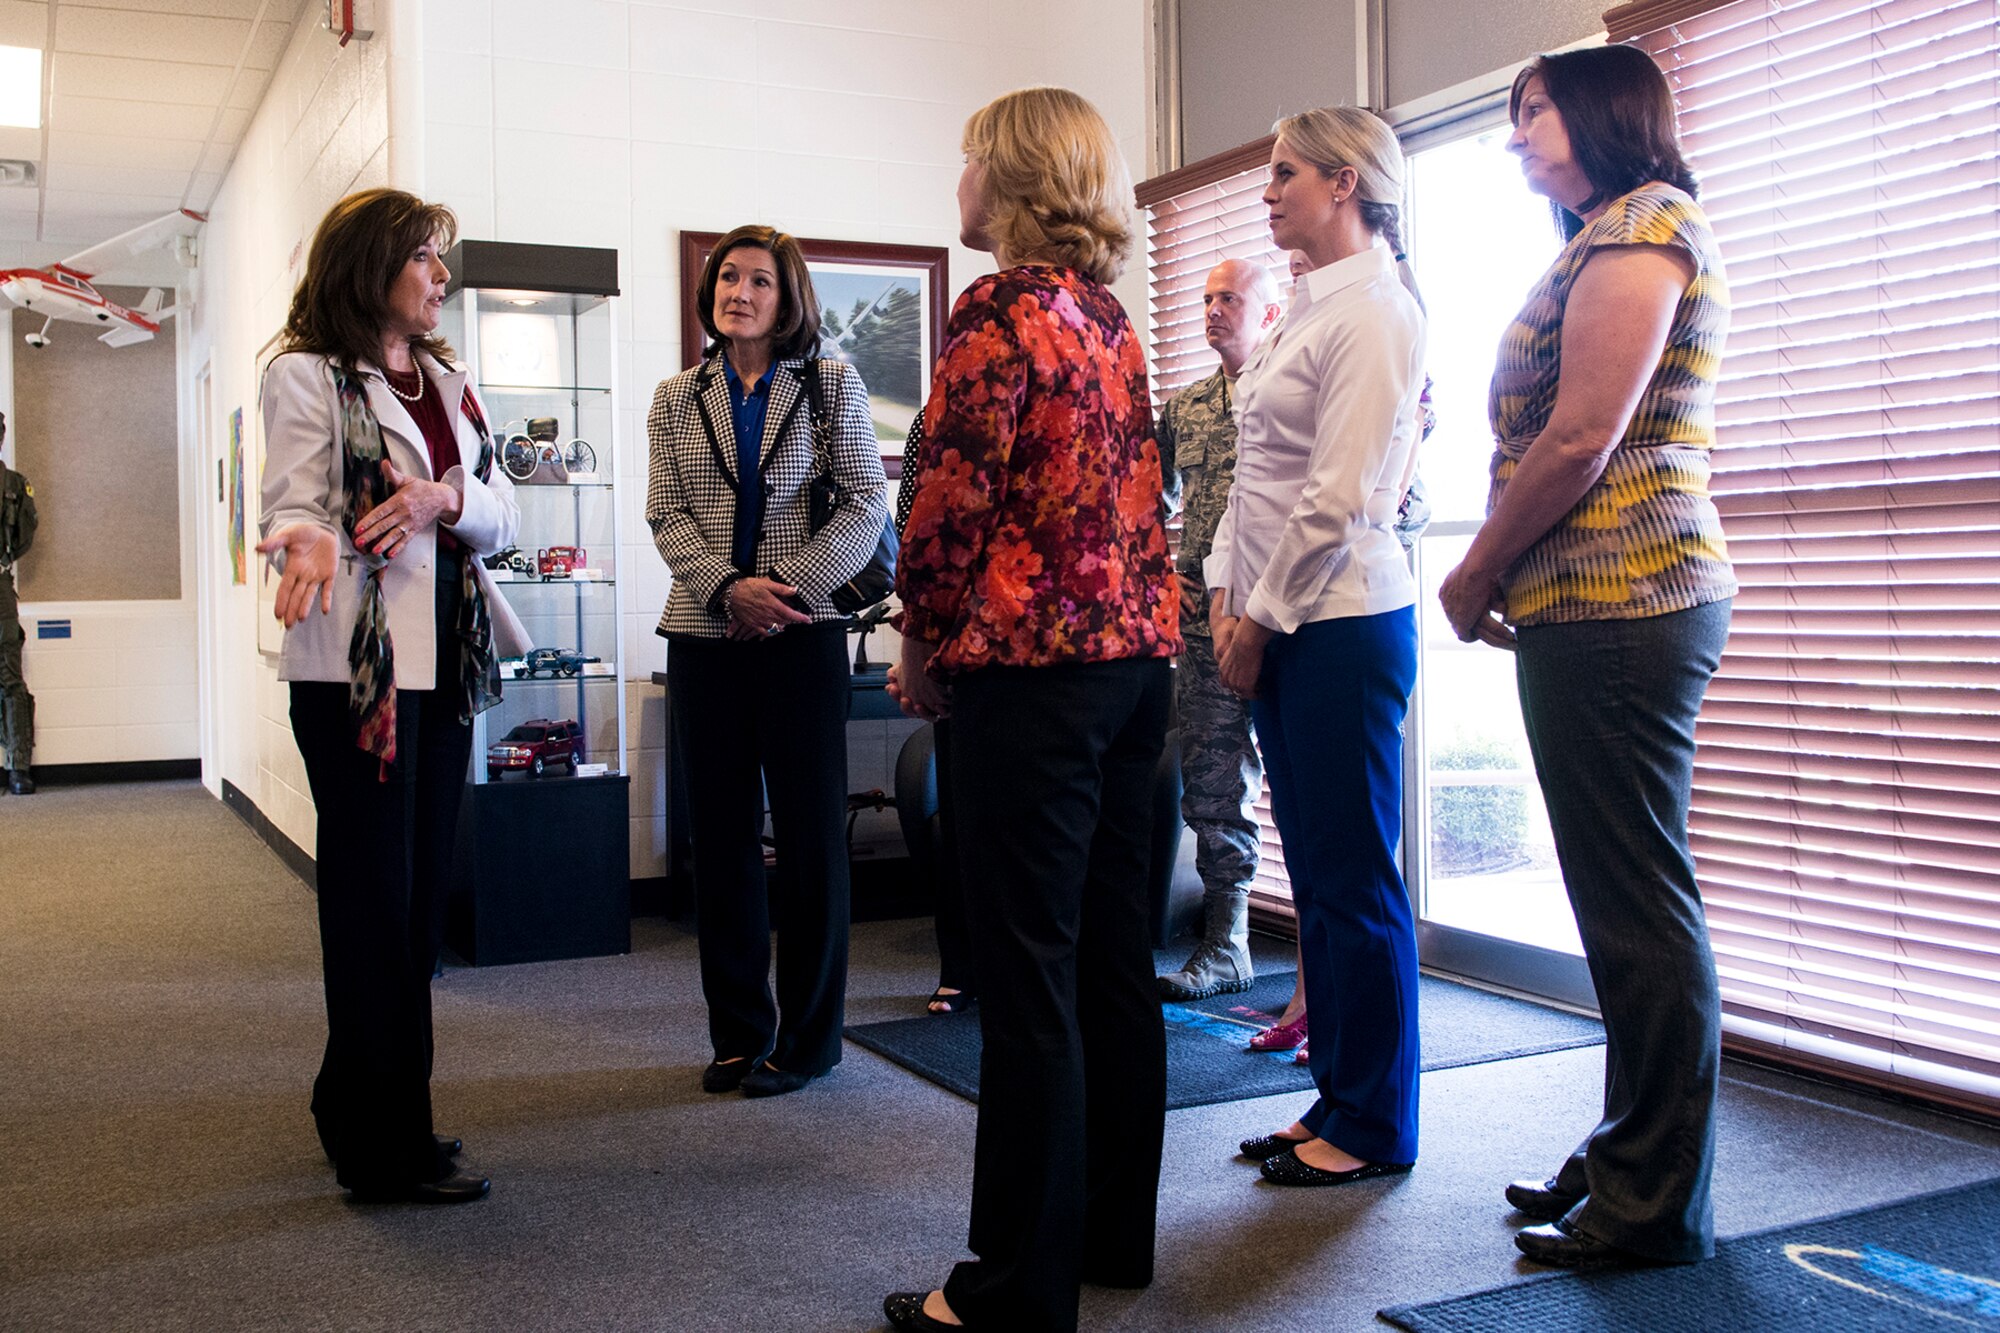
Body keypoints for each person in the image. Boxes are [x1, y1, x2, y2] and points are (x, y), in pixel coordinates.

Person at [882, 86, 1181, 1333]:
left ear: (1004, 177)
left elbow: (950, 498)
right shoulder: (1107, 320)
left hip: (1031, 678)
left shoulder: (994, 312)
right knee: (1114, 966)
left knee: (1026, 979)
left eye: (965, 157)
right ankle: (1109, 1237)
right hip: (1133, 670)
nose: (954, 176)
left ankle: (1007, 1289)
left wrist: (916, 631)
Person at [1439, 44, 1734, 1270]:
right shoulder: (1595, 231)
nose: (1515, 133)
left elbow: (1579, 437)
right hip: (1590, 604)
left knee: (1636, 903)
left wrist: (1471, 570)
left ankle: (1651, 1199)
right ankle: (1627, 1151)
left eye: (1534, 109)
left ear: (1605, 111)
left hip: (1626, 596)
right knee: (1619, 900)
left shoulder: (1645, 223)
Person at [258, 188, 524, 1204]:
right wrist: (314, 535)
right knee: (375, 906)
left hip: (444, 667)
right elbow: (290, 501)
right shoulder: (306, 376)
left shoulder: (451, 384)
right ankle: (384, 1146)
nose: (441, 278)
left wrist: (445, 496)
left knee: (414, 912)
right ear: (374, 267)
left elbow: (500, 508)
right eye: (426, 258)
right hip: (353, 675)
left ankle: (357, 1103)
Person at [1209, 107, 1429, 1187]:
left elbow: (1337, 498)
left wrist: (1256, 619)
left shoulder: (1377, 312)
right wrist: (1217, 590)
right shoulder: (1305, 304)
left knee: (1353, 884)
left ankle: (1375, 1124)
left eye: (1283, 172)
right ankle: (1336, 1096)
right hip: (1278, 619)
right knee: (1319, 884)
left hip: (1337, 625)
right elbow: (1254, 475)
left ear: (1344, 183)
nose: (1266, 191)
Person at [646, 224, 889, 1099]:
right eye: (727, 278)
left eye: (758, 280)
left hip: (802, 634)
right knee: (721, 843)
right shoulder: (678, 394)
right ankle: (740, 1033)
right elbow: (665, 515)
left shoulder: (832, 383)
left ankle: (812, 1039)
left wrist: (779, 589)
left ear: (787, 299)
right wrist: (727, 590)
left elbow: (865, 503)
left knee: (812, 836)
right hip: (706, 636)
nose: (737, 292)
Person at [1154, 260, 1282, 1002]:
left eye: (1227, 298)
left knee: (1308, 786)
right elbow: (1148, 499)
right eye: (1204, 298)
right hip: (1206, 631)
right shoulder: (1189, 407)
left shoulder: (1296, 390)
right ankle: (1226, 943)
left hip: (1293, 619)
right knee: (1213, 788)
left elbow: (1403, 500)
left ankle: (1333, 952)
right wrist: (1166, 573)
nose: (1211, 310)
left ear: (1267, 312)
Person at [892, 415, 976, 1016]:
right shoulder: (936, 416)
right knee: (961, 811)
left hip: (1050, 643)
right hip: (959, 635)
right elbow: (912, 525)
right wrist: (918, 635)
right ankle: (960, 966)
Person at [0, 413, 37, 796]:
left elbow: (24, 537)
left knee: (10, 676)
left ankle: (18, 766)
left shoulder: (14, 486)